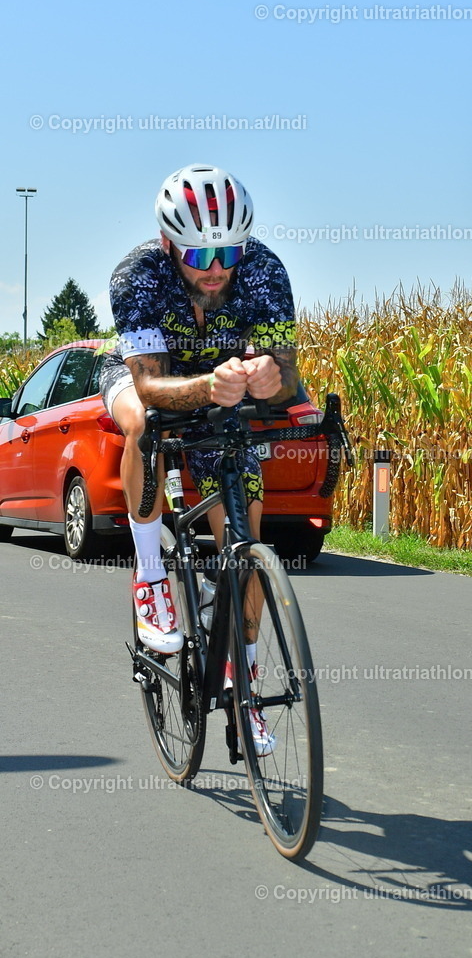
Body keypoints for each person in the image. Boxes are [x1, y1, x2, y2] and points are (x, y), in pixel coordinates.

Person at [100, 162, 298, 753]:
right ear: (168, 243)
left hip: (225, 388)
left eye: (227, 255)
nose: (215, 272)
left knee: (247, 542)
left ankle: (245, 684)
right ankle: (151, 576)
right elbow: (152, 385)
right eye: (198, 256)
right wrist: (210, 386)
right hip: (150, 380)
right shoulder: (137, 275)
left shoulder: (263, 270)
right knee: (146, 427)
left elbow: (289, 374)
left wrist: (272, 375)